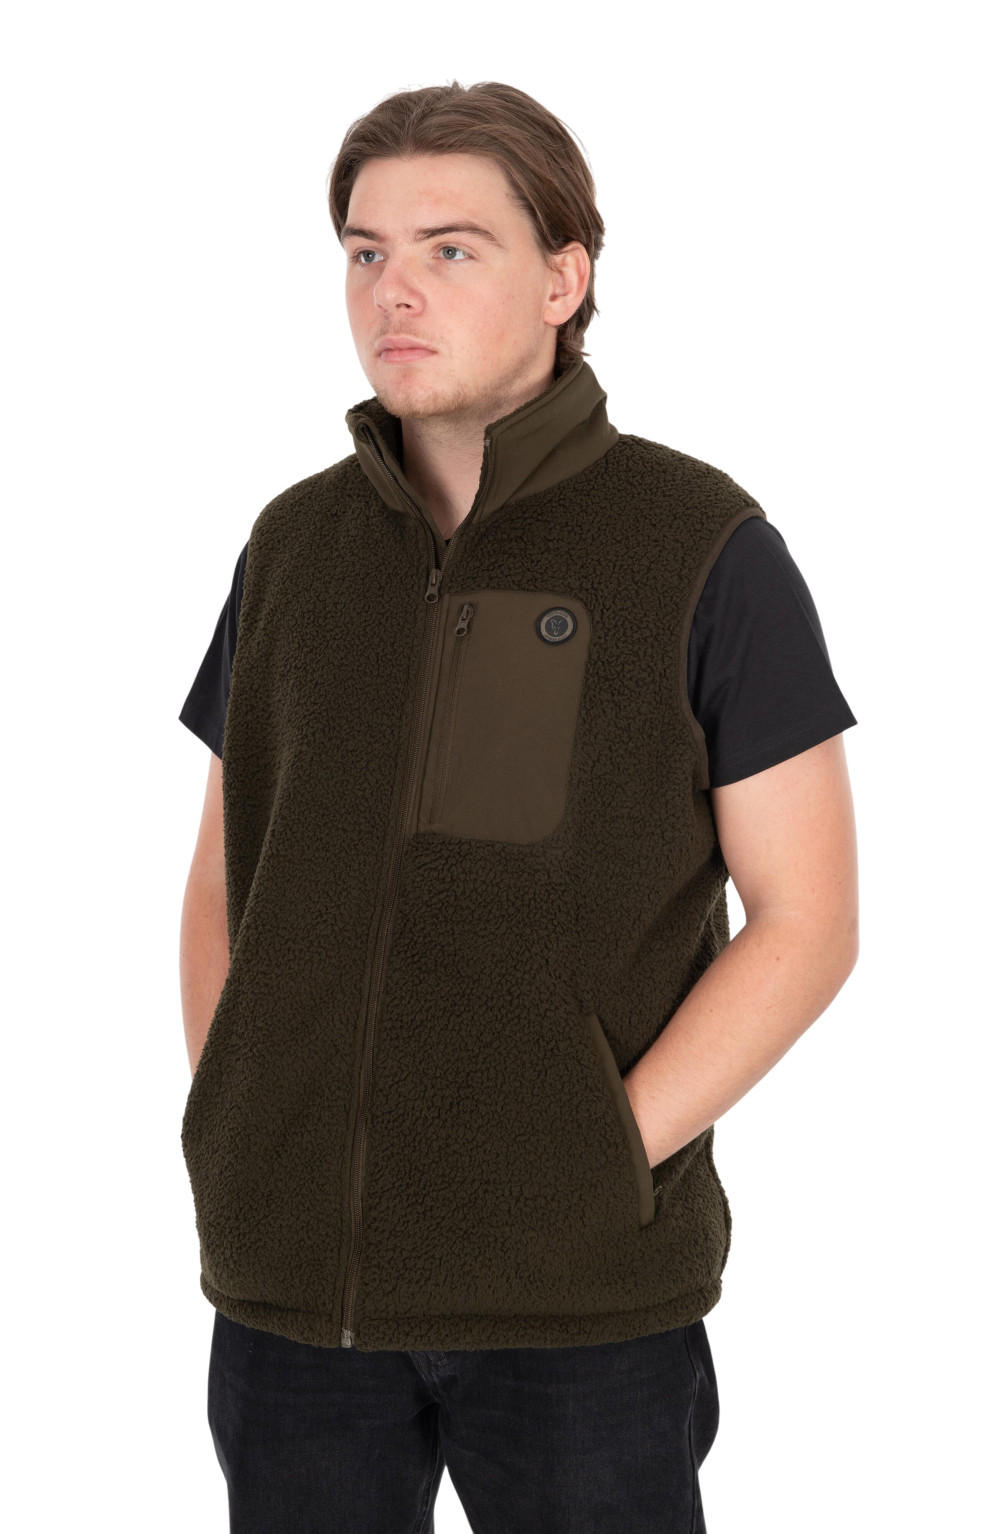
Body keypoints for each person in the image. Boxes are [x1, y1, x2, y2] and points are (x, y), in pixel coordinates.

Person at [178, 79, 859, 1534]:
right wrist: (234, 1128)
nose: (394, 291)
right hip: (293, 1300)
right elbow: (230, 871)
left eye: (451, 248)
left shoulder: (702, 544)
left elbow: (809, 919)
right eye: (366, 252)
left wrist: (599, 1157)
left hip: (578, 1309)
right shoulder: (292, 547)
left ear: (564, 278)